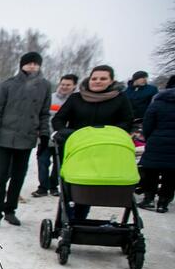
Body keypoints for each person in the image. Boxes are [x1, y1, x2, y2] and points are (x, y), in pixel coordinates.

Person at [51, 64, 133, 220]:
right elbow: (59, 118)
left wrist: (109, 134)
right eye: (94, 78)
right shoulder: (76, 98)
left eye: (103, 78)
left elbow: (126, 121)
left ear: (111, 81)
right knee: (73, 184)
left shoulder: (120, 99)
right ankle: (66, 218)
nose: (97, 81)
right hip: (77, 148)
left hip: (105, 148)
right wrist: (65, 133)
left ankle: (80, 216)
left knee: (93, 184)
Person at [0, 51, 52, 226]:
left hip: (27, 138)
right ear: (22, 65)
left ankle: (10, 210)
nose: (32, 66)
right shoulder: (7, 85)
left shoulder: (45, 86)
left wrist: (44, 134)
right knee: (0, 176)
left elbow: (45, 114)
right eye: (29, 63)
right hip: (4, 138)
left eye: (35, 63)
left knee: (18, 176)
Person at [33, 73, 78, 197]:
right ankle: (42, 187)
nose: (64, 87)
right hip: (46, 136)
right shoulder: (50, 98)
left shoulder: (76, 100)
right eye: (62, 84)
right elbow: (40, 115)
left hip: (65, 139)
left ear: (74, 86)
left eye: (68, 85)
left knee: (59, 164)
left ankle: (53, 186)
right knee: (42, 162)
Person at [138, 75, 175, 213]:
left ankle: (148, 199)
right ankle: (163, 203)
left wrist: (150, 137)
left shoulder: (158, 102)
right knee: (171, 175)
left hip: (157, 141)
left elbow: (148, 123)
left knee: (151, 171)